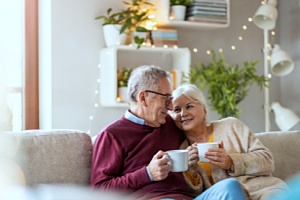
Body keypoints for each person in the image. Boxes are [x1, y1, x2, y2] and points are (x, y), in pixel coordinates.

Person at [91, 65, 246, 200]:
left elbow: (199, 127)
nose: (171, 107)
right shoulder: (112, 135)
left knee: (230, 187)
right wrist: (147, 173)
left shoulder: (171, 124)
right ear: (143, 98)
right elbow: (99, 191)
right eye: (166, 99)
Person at [169, 83, 289, 200]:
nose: (183, 113)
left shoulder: (231, 126)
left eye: (189, 106)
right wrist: (192, 172)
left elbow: (267, 161)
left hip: (263, 191)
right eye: (177, 109)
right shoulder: (181, 151)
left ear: (204, 110)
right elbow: (196, 194)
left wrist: (231, 162)